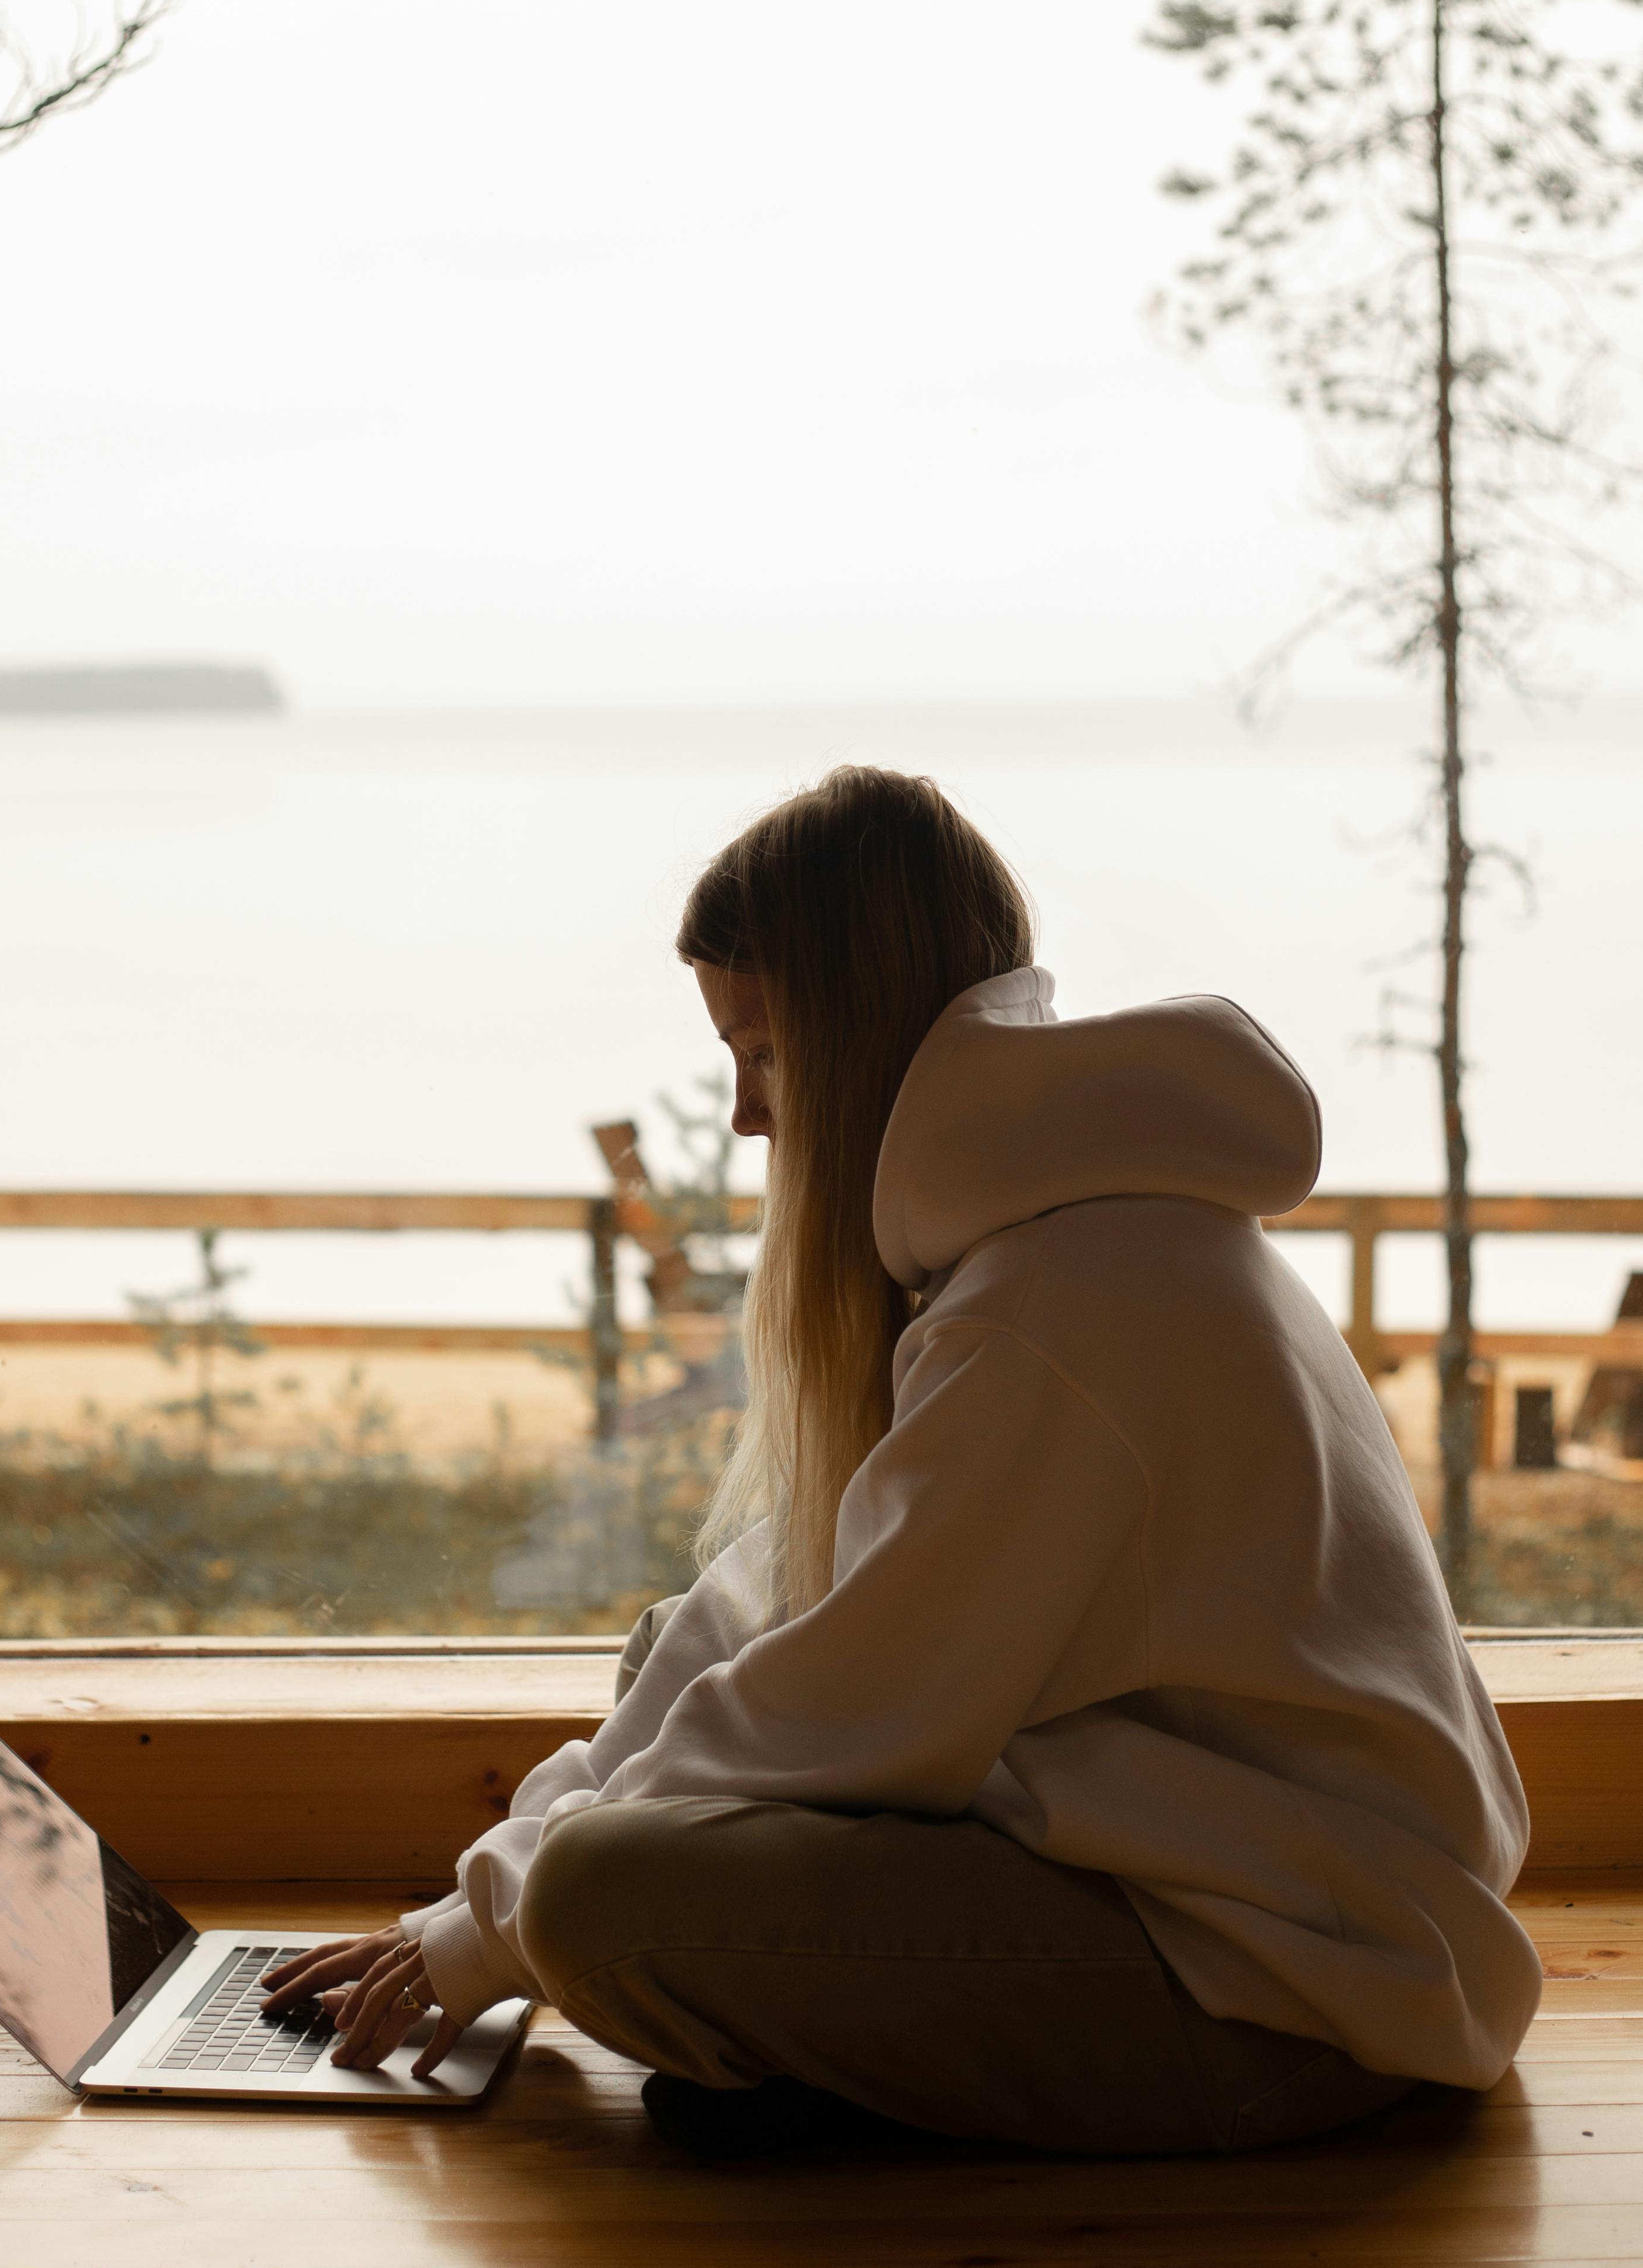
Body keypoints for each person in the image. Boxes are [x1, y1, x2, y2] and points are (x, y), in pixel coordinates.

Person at [263, 766, 1540, 2158]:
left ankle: (820, 2055)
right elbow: (786, 1607)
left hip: (1293, 1994)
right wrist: (459, 1911)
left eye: (763, 1054)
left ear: (855, 1034)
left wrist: (502, 1921)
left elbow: (856, 1704)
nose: (749, 1118)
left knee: (598, 1902)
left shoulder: (1055, 1304)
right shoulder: (1048, 1235)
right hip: (1201, 1860)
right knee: (667, 1659)